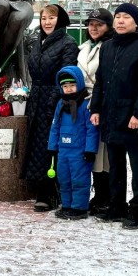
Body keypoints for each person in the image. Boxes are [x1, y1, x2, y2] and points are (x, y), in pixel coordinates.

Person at [90, 3, 138, 230]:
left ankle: (136, 209)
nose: (120, 21)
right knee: (115, 164)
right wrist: (96, 108)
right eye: (118, 17)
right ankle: (116, 205)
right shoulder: (108, 46)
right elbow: (101, 80)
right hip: (111, 115)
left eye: (126, 17)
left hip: (133, 118)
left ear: (136, 23)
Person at [22, 4, 78, 212]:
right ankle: (41, 189)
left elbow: (66, 75)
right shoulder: (39, 43)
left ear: (60, 20)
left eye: (51, 18)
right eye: (44, 18)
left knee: (51, 147)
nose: (47, 22)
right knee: (37, 146)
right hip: (36, 98)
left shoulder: (67, 43)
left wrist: (53, 100)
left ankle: (50, 192)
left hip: (54, 101)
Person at [48, 66, 99, 220]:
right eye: (65, 86)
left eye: (72, 85)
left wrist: (90, 150)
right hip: (63, 150)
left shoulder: (86, 104)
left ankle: (79, 208)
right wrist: (52, 147)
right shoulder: (60, 104)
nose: (69, 89)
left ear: (79, 84)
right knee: (64, 179)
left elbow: (92, 129)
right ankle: (67, 205)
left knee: (79, 180)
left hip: (79, 152)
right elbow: (55, 126)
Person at [77, 8, 114, 215]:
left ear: (108, 27)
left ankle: (104, 195)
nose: (94, 28)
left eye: (99, 24)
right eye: (91, 24)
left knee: (103, 153)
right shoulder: (83, 48)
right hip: (83, 103)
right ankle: (97, 194)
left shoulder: (109, 47)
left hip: (101, 103)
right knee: (90, 150)